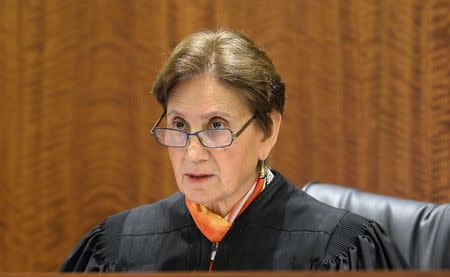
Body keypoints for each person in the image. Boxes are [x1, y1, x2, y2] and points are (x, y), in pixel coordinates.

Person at [60, 29, 408, 271]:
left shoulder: (340, 249)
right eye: (179, 125)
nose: (192, 153)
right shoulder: (116, 247)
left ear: (267, 132)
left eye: (216, 126)